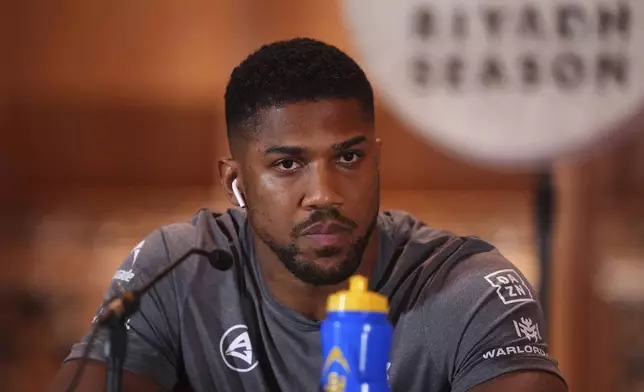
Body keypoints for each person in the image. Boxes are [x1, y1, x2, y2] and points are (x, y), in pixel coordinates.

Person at [52, 37, 567, 392]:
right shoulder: (179, 268)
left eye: (348, 157)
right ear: (236, 182)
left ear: (377, 160)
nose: (323, 193)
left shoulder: (467, 287)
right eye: (287, 164)